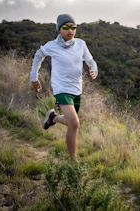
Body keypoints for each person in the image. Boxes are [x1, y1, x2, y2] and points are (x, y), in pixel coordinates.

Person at [30, 14, 98, 160]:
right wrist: (34, 78)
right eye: (66, 27)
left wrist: (93, 69)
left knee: (69, 122)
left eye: (73, 27)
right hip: (61, 89)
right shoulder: (52, 46)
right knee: (74, 123)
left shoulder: (81, 44)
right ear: (59, 29)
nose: (70, 30)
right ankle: (73, 161)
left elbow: (91, 60)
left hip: (76, 89)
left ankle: (53, 117)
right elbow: (38, 56)